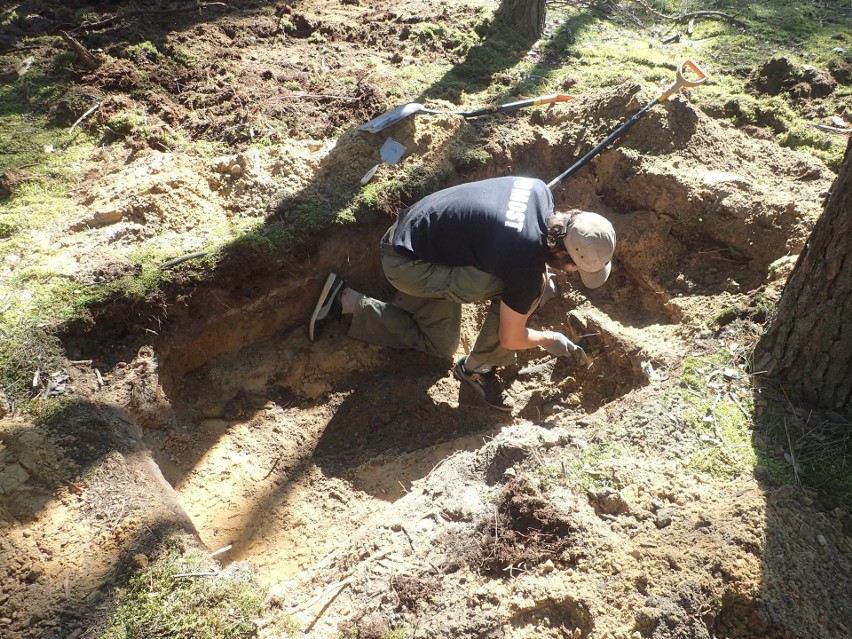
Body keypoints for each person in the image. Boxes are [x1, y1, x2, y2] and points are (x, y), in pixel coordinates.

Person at [309, 175, 616, 412]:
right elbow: (511, 338)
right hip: (408, 266)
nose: (575, 273)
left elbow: (516, 237)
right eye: (576, 268)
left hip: (411, 236)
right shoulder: (525, 267)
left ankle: (346, 303)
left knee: (440, 345)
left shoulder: (538, 190)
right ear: (564, 255)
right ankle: (478, 367)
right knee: (528, 288)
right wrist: (550, 338)